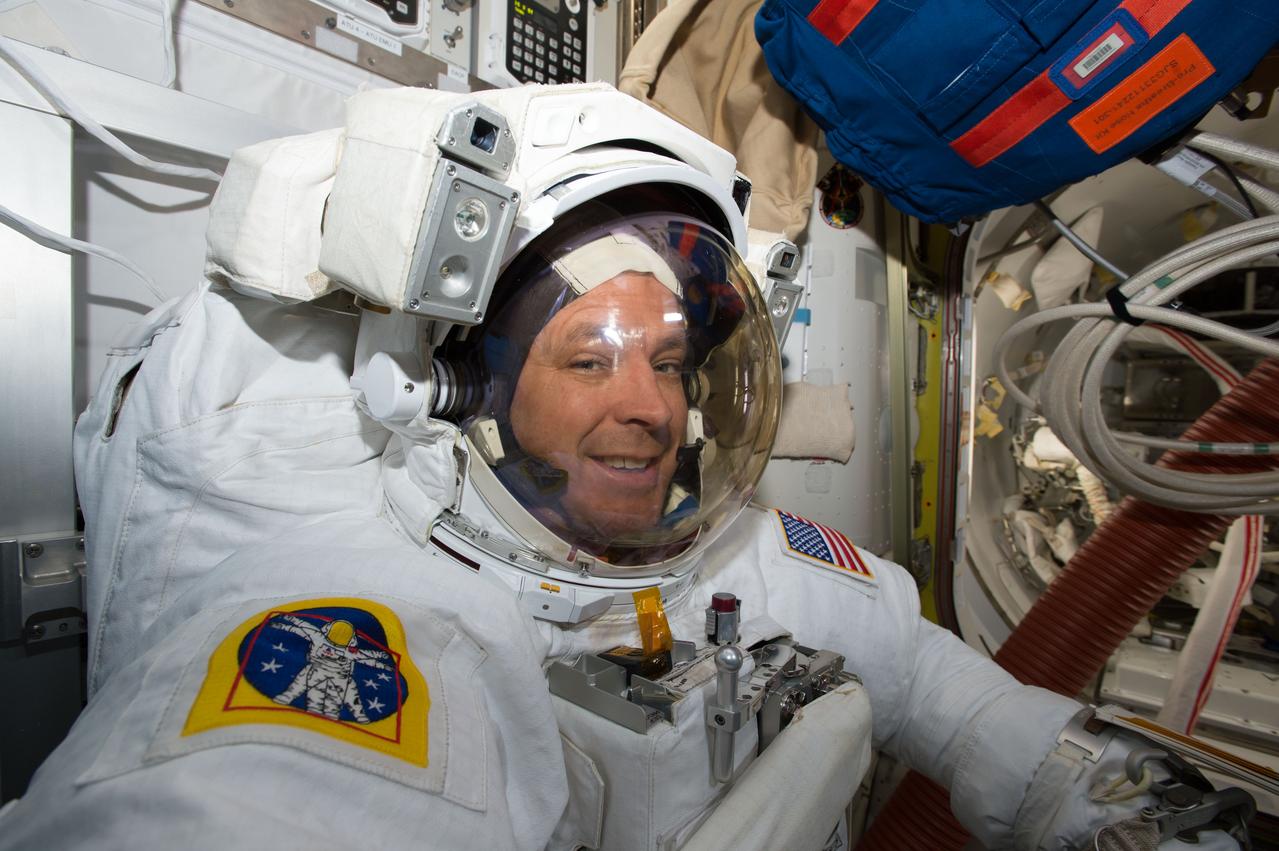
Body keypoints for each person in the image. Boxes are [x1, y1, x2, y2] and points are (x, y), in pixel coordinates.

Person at [0, 85, 1249, 850]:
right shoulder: (374, 610)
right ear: (468, 384)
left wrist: (1113, 796)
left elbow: (939, 685)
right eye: (590, 360)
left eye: (670, 359)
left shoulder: (743, 547)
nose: (651, 406)